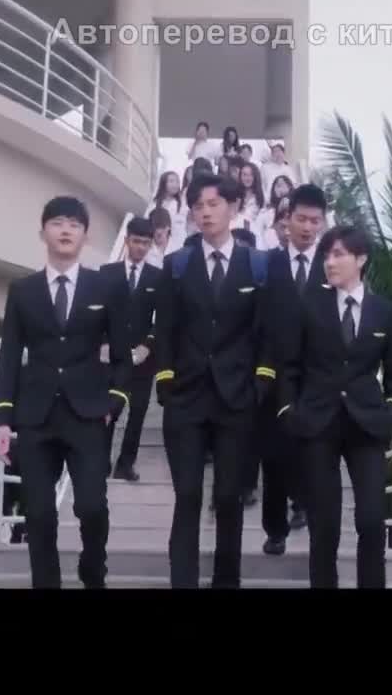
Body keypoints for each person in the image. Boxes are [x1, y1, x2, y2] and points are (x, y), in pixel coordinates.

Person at [0, 196, 132, 589]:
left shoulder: (105, 287)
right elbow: (9, 357)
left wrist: (115, 403)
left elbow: (123, 356)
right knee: (38, 514)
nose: (65, 230)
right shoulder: (23, 291)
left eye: (73, 223)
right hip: (35, 416)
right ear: (43, 233)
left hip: (88, 414)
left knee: (92, 506)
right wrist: (4, 419)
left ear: (85, 235)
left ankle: (93, 569)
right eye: (57, 223)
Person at [153, 172, 278, 588]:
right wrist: (165, 379)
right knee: (188, 496)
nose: (204, 212)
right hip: (186, 397)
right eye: (197, 206)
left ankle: (227, 581)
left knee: (228, 497)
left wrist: (261, 380)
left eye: (213, 204)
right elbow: (165, 329)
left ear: (234, 207)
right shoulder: (176, 265)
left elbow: (268, 332)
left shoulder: (258, 265)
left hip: (237, 398)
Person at [276, 224, 392, 589]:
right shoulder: (309, 305)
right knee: (324, 525)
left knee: (372, 520)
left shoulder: (384, 312)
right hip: (317, 424)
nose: (329, 262)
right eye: (326, 255)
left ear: (360, 259)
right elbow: (289, 366)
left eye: (338, 255)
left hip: (367, 426)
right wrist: (288, 411)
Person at [253, 184, 329, 555]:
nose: (307, 227)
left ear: (323, 223)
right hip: (274, 375)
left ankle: (304, 504)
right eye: (301, 219)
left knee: (311, 452)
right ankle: (275, 529)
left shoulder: (333, 265)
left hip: (316, 378)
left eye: (315, 221)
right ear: (287, 220)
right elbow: (257, 320)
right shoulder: (268, 264)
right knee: (273, 457)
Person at [101, 218, 161, 482]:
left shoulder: (157, 277)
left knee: (137, 413)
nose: (140, 247)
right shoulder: (107, 273)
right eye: (136, 241)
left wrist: (148, 344)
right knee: (108, 410)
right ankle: (102, 461)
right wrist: (103, 342)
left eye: (146, 243)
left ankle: (126, 464)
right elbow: (98, 313)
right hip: (112, 355)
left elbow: (163, 318)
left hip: (143, 357)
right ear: (126, 241)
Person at [147, 171, 185, 253]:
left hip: (176, 244)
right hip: (155, 244)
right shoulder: (154, 203)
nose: (175, 184)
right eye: (171, 181)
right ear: (163, 183)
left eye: (177, 182)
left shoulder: (182, 204)